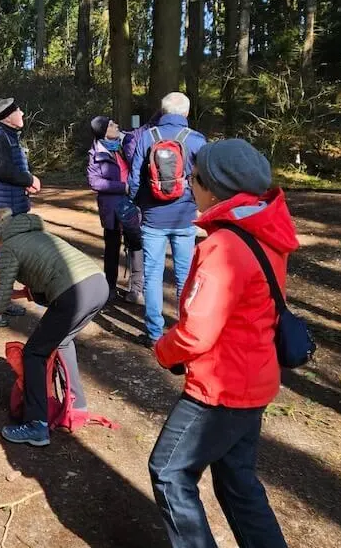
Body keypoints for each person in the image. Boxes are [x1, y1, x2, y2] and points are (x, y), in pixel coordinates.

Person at [148, 139, 293, 548]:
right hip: (255, 377)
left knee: (169, 470)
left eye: (193, 178)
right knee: (237, 483)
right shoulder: (262, 228)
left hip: (222, 388)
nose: (189, 185)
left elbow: (196, 333)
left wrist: (163, 349)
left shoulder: (223, 246)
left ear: (213, 187)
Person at [0, 208, 107, 447]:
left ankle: (36, 425)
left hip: (74, 294)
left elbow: (0, 293)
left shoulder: (8, 245)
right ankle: (76, 406)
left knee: (34, 353)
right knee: (62, 341)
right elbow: (50, 271)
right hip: (98, 285)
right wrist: (25, 293)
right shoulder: (35, 232)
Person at [128, 92, 206, 346]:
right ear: (185, 113)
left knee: (152, 275)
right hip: (184, 218)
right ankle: (185, 328)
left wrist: (141, 205)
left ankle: (154, 333)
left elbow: (134, 182)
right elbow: (205, 180)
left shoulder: (146, 137)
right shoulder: (195, 140)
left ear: (162, 112)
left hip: (152, 219)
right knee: (184, 275)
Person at [0, 98, 41, 327]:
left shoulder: (10, 136)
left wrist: (25, 183)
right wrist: (30, 179)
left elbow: (12, 170)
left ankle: (2, 299)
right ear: (8, 116)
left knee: (10, 255)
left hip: (14, 204)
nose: (22, 112)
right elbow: (3, 170)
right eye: (18, 110)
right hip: (1, 208)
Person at [87, 115, 144, 304]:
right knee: (112, 248)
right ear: (104, 131)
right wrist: (123, 187)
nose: (116, 125)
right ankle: (110, 288)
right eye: (111, 125)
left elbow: (144, 130)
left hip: (132, 204)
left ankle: (136, 289)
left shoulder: (127, 142)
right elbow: (94, 182)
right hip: (112, 208)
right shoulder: (96, 153)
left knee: (136, 244)